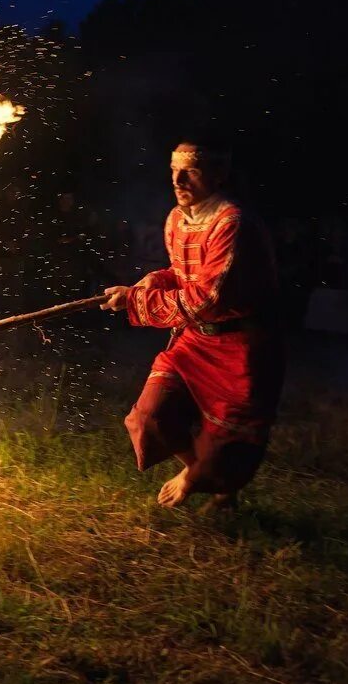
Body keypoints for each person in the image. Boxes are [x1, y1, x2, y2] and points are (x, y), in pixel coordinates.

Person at [101, 139, 284, 509]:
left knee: (227, 440)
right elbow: (184, 275)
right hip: (194, 341)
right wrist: (154, 281)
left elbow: (207, 298)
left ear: (219, 175)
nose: (179, 180)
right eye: (174, 170)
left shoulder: (232, 223)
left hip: (240, 347)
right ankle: (200, 472)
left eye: (192, 171)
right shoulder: (176, 219)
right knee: (151, 413)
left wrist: (136, 301)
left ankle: (208, 481)